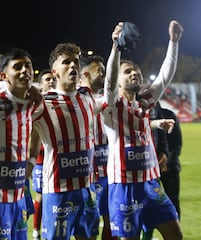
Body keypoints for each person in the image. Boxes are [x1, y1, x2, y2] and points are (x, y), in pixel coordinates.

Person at [102, 20, 183, 239]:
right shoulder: (111, 106)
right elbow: (108, 84)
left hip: (151, 183)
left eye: (136, 71)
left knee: (176, 234)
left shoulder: (146, 101)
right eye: (128, 71)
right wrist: (116, 49)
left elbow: (165, 77)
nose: (135, 73)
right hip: (124, 186)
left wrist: (174, 42)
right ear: (118, 80)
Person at [30, 42, 101, 240]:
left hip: (86, 188)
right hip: (57, 191)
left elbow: (112, 96)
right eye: (66, 62)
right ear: (55, 71)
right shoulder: (43, 103)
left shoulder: (86, 99)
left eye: (76, 62)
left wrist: (116, 51)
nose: (73, 66)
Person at [0, 48, 38, 240]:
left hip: (18, 196)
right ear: (4, 76)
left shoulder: (32, 103)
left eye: (28, 66)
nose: (25, 71)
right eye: (17, 67)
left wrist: (32, 161)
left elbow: (36, 132)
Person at [79, 53, 117, 240]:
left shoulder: (106, 98)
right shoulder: (76, 98)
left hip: (109, 171)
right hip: (87, 174)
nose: (103, 74)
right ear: (85, 74)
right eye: (99, 70)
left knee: (113, 221)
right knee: (89, 226)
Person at [142, 102, 182, 240]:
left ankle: (175, 227)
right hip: (150, 168)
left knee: (172, 202)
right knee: (150, 204)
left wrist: (166, 159)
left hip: (169, 167)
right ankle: (147, 235)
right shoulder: (140, 113)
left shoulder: (169, 114)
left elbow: (175, 143)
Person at [31, 68, 56, 240]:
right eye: (47, 79)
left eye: (53, 79)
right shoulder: (36, 104)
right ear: (40, 84)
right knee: (40, 196)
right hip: (40, 160)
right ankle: (36, 230)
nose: (51, 81)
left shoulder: (59, 100)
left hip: (56, 159)